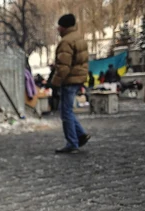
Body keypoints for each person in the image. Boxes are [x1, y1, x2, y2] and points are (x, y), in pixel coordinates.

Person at [51, 13, 91, 154]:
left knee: (65, 112)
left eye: (59, 26)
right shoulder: (79, 38)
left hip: (69, 79)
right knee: (66, 110)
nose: (58, 29)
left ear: (64, 27)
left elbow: (63, 66)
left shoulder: (66, 42)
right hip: (77, 78)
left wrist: (55, 82)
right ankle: (80, 135)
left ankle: (72, 143)